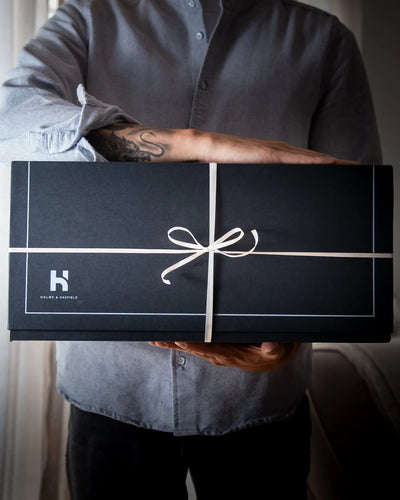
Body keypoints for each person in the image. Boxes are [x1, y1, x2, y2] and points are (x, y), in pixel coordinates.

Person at [0, 0, 381, 498]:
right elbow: (12, 119)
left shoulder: (325, 40)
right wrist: (193, 145)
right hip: (110, 394)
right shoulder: (87, 17)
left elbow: (353, 214)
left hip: (261, 401)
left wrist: (292, 338)